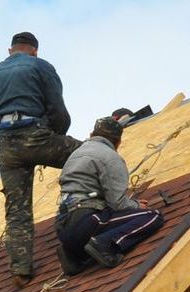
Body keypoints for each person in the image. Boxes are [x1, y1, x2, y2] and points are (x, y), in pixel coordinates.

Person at [0, 32, 82, 286]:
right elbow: (58, 110)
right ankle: (96, 211)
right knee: (87, 154)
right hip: (36, 134)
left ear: (10, 51)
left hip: (6, 146)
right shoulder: (40, 66)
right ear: (35, 51)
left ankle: (21, 270)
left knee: (17, 210)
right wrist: (53, 138)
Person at [55, 116, 164, 275]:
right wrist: (136, 206)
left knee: (100, 224)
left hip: (63, 227)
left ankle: (75, 255)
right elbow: (118, 203)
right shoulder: (110, 157)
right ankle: (104, 244)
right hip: (87, 219)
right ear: (118, 142)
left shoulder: (75, 155)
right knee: (152, 216)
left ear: (92, 135)